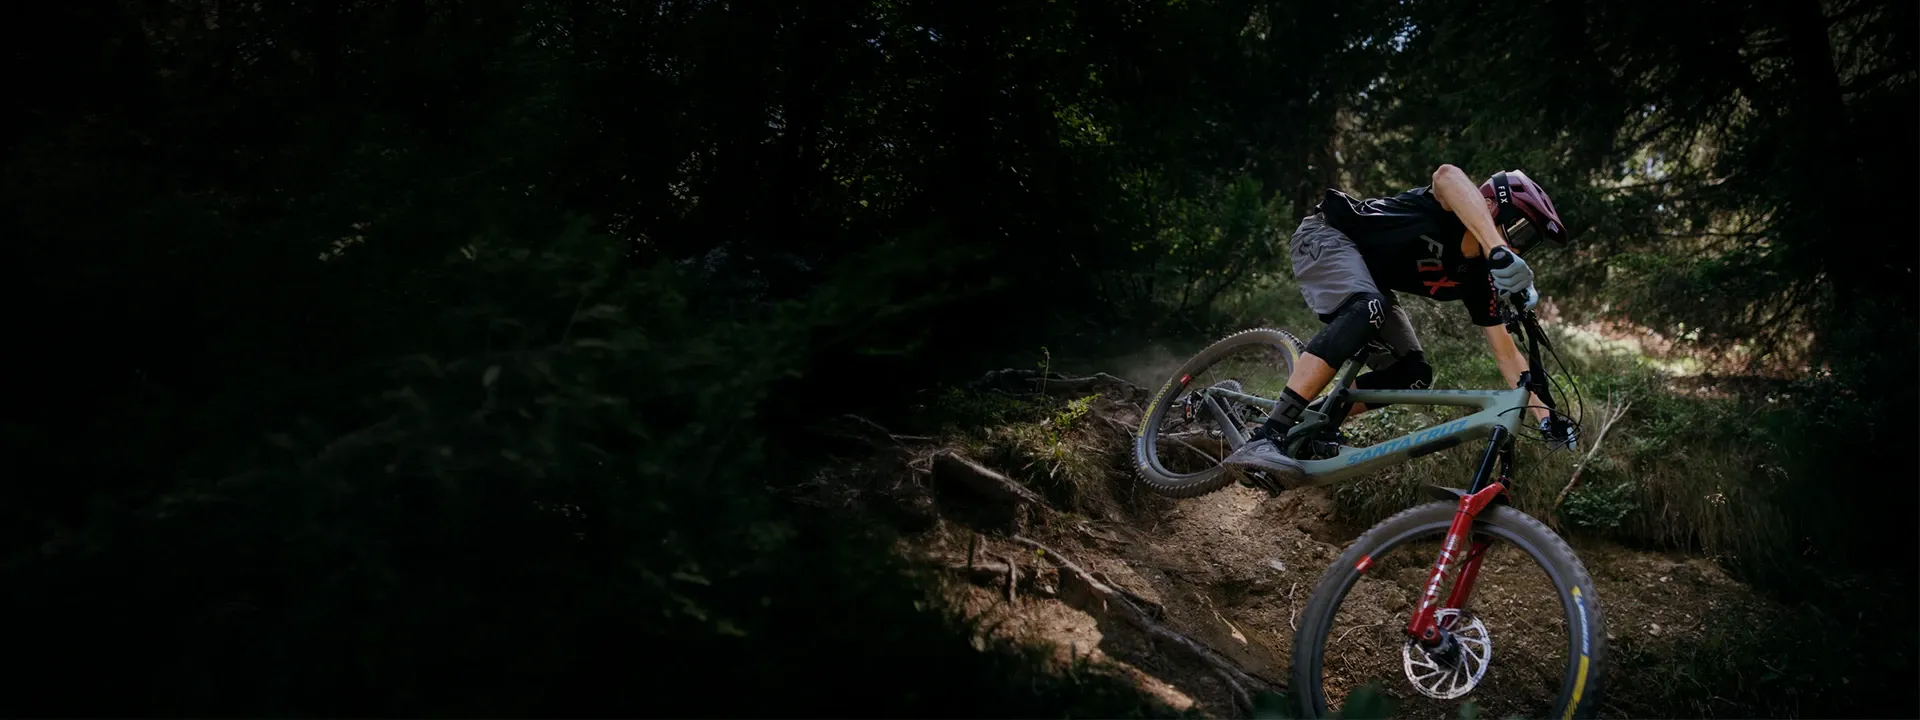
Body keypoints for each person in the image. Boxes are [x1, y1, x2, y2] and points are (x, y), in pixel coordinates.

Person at [1222, 164, 1578, 491]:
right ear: (1490, 205)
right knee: (1368, 309)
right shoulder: (1449, 208)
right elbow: (1446, 175)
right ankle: (1267, 436)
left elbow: (1507, 355)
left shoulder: (1478, 280)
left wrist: (1547, 418)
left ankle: (1310, 427)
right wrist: (1498, 247)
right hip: (1327, 234)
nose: (1520, 248)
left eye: (1528, 242)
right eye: (1521, 232)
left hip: (1370, 282)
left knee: (1413, 373)